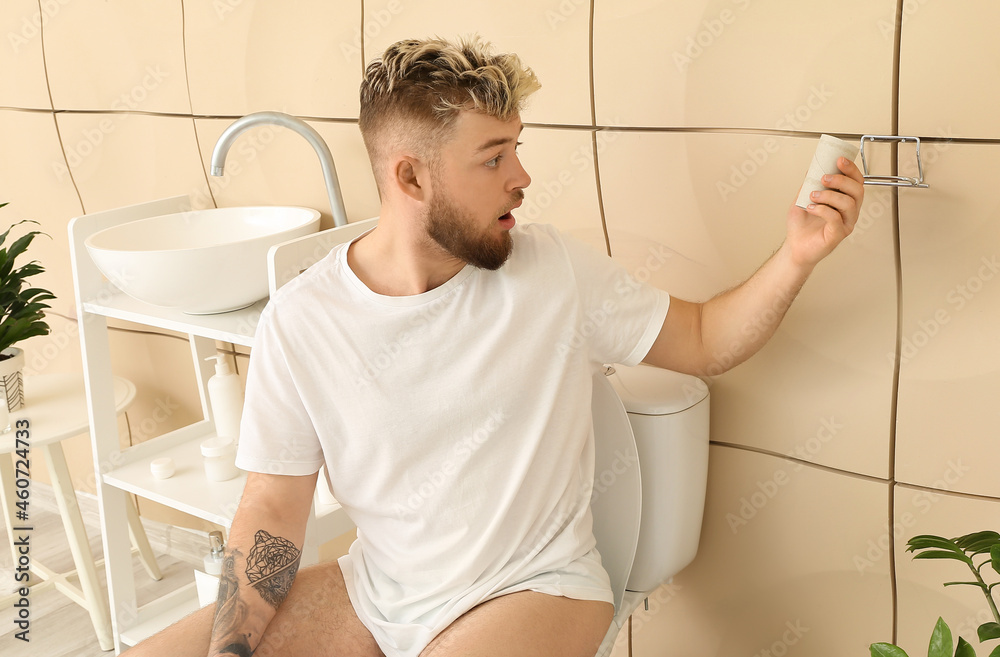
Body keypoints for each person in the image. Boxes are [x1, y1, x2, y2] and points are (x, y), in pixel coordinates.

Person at [124, 35, 863, 657]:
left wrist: (798, 254)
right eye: (493, 157)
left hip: (539, 589)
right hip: (378, 596)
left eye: (517, 149)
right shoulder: (302, 318)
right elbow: (274, 509)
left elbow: (702, 339)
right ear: (410, 175)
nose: (522, 177)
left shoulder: (551, 270)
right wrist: (232, 647)